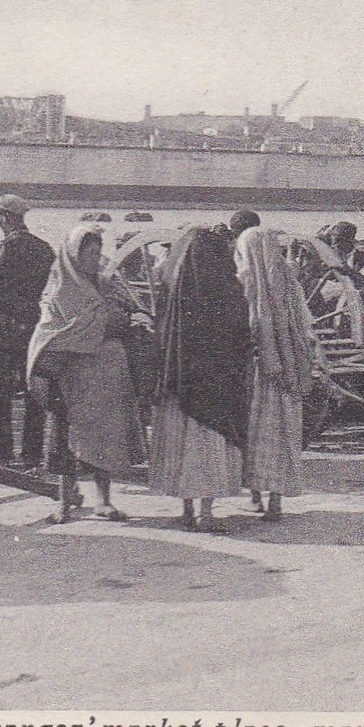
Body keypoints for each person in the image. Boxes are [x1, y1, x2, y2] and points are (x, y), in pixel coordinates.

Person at [26, 225, 145, 521]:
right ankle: (64, 503)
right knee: (66, 439)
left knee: (103, 438)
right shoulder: (57, 292)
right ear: (73, 254)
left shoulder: (106, 285)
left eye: (97, 252)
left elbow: (125, 315)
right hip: (70, 376)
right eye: (88, 252)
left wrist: (118, 320)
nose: (95, 258)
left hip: (103, 376)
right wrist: (101, 325)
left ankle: (104, 500)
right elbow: (51, 333)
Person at [150, 226, 252, 532]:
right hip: (216, 385)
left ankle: (186, 510)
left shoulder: (175, 292)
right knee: (209, 448)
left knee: (182, 447)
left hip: (180, 384)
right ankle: (206, 514)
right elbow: (241, 335)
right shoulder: (227, 289)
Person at [235, 225, 318, 521]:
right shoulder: (289, 282)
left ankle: (255, 495)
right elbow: (306, 327)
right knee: (281, 434)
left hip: (256, 369)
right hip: (288, 368)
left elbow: (242, 327)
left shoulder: (245, 281)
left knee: (252, 433)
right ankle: (276, 501)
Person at [0, 195, 55, 466]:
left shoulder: (3, 247)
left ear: (5, 217)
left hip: (4, 326)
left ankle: (0, 451)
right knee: (34, 391)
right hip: (34, 323)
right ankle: (32, 454)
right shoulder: (45, 248)